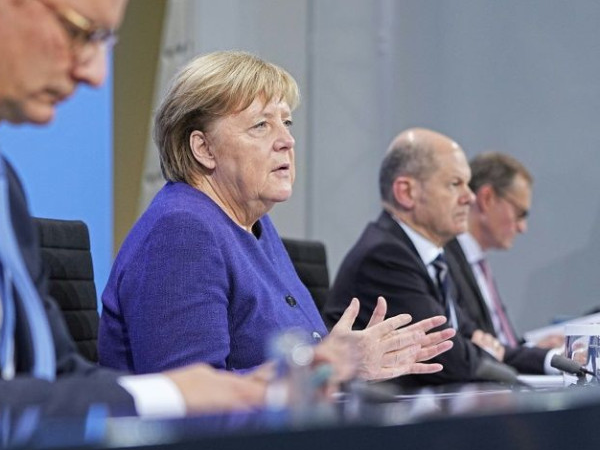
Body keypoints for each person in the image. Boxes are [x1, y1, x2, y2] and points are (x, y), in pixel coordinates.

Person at [0, 0, 270, 426]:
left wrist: (225, 392)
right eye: (79, 32)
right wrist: (163, 394)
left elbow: (51, 372)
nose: (95, 74)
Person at [98, 52, 455, 384]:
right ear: (204, 149)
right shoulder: (182, 232)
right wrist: (329, 366)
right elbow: (190, 395)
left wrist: (343, 366)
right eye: (261, 126)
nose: (287, 140)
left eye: (286, 122)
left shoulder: (254, 226)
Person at [324, 128, 504, 387]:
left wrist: (548, 357)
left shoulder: (435, 256)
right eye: (455, 184)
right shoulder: (385, 256)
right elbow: (448, 357)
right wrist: (485, 352)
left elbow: (468, 336)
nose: (470, 197)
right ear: (406, 192)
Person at [445, 152, 562, 374]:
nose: (522, 227)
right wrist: (544, 358)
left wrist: (529, 349)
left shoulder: (477, 263)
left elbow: (494, 343)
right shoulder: (445, 261)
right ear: (487, 198)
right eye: (520, 213)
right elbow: (476, 345)